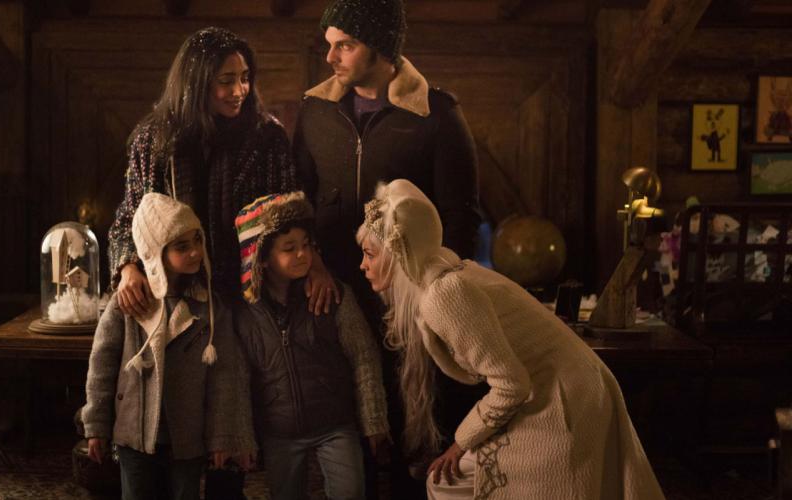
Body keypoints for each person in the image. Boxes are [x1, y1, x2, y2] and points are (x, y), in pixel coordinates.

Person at [356, 179, 667, 500]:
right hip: (560, 388)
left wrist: (459, 444)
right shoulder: (448, 273)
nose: (363, 265)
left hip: (566, 399)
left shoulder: (444, 295)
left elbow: (510, 385)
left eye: (370, 254)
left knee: (445, 484)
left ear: (397, 255)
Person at [294, 1, 483, 494]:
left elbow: (461, 218)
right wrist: (313, 264)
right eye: (329, 44)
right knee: (347, 427)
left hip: (412, 299)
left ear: (381, 48)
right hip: (334, 290)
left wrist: (429, 291)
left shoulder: (436, 114)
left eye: (345, 45)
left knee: (412, 430)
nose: (330, 57)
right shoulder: (315, 110)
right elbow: (299, 200)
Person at [108, 26, 336, 317]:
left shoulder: (267, 137)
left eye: (244, 78)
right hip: (176, 294)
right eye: (226, 81)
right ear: (197, 83)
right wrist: (127, 267)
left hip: (251, 297)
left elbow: (292, 216)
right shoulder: (154, 140)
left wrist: (314, 263)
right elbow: (129, 218)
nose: (239, 91)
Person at [82, 193, 254, 500]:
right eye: (181, 246)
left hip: (188, 438)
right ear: (155, 252)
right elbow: (101, 366)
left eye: (197, 240)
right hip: (134, 435)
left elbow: (225, 376)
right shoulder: (127, 303)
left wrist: (222, 436)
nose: (195, 252)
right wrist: (96, 425)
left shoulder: (211, 307)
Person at [233, 192, 390, 500]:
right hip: (279, 432)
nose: (303, 254)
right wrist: (242, 438)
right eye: (289, 248)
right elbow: (237, 379)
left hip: (335, 424)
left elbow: (364, 356)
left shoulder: (332, 294)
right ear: (261, 256)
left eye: (306, 245)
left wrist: (374, 420)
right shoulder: (246, 315)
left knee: (350, 491)